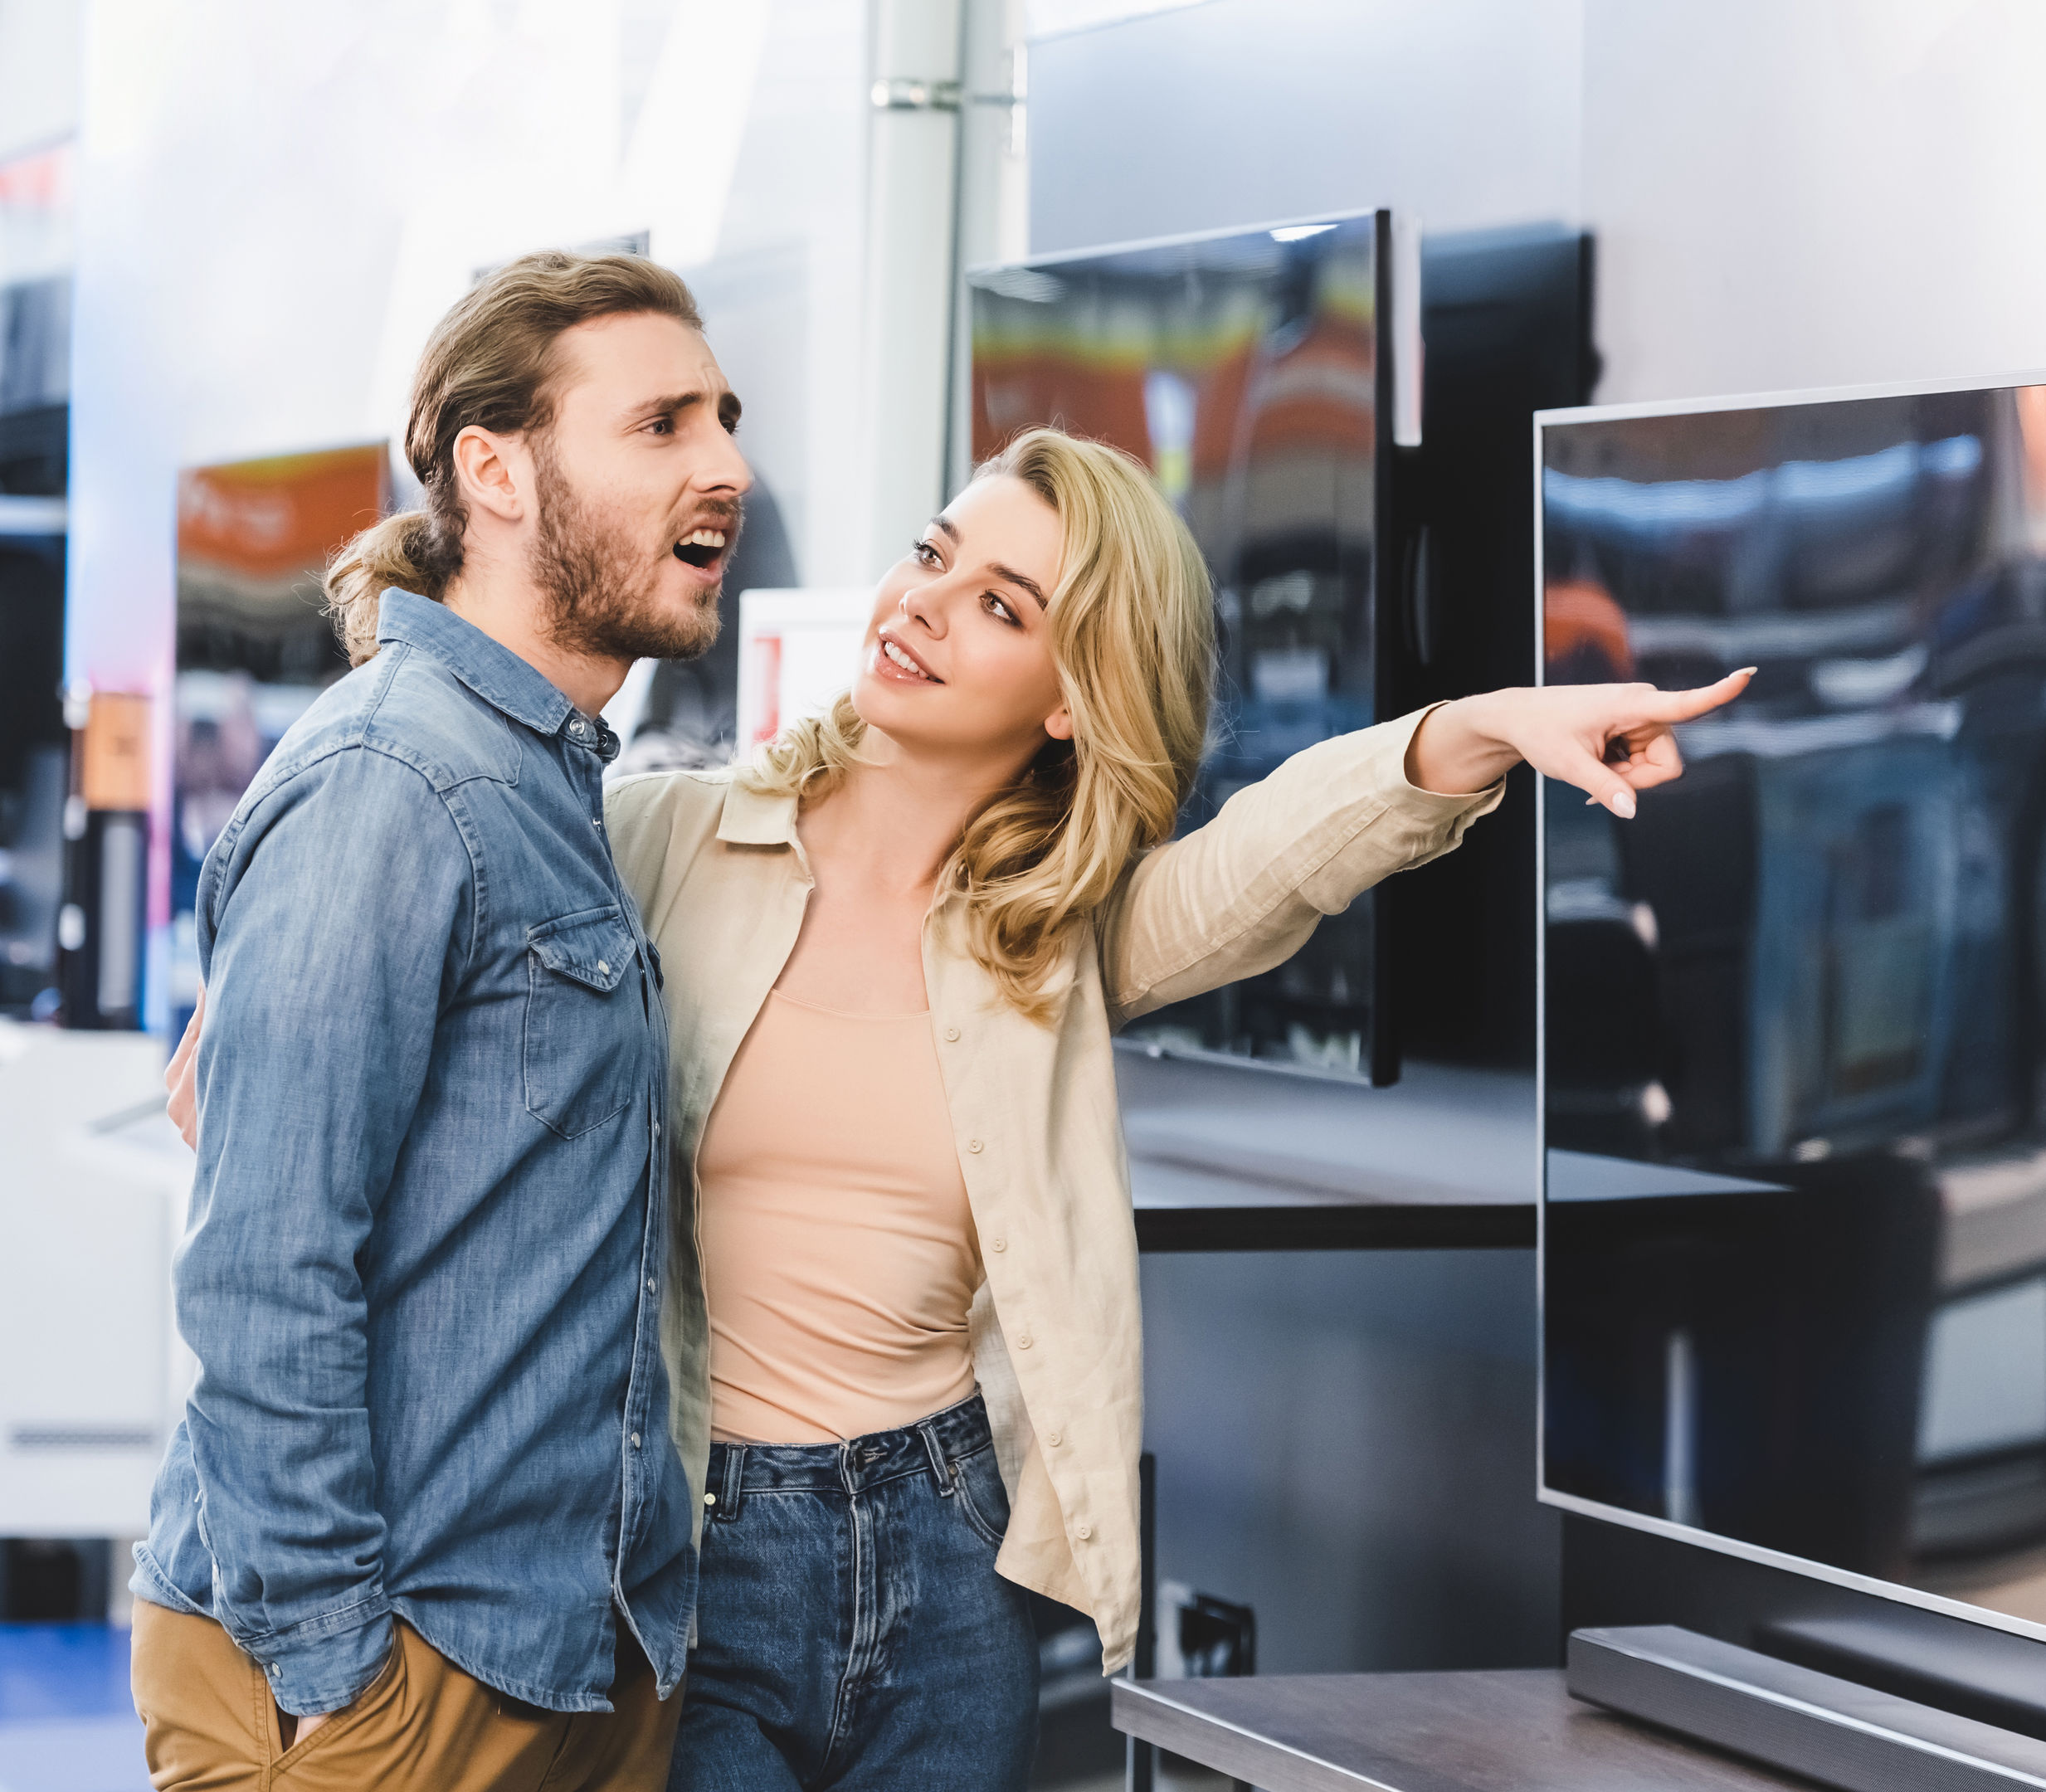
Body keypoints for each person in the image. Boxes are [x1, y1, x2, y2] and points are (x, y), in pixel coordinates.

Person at [596, 427, 1740, 1788]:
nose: (926, 606)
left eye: (1001, 607)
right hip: (695, 1544)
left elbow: (1269, 862)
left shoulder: (1050, 942)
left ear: (1072, 700)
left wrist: (1484, 728)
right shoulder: (660, 839)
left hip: (950, 1555)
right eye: (933, 557)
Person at [133, 251, 748, 1788]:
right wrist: (346, 1686)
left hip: (560, 1651)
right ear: (498, 471)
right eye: (662, 424)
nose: (727, 468)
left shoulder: (546, 782)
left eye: (723, 419)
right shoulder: (395, 782)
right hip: (386, 1674)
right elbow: (265, 1274)